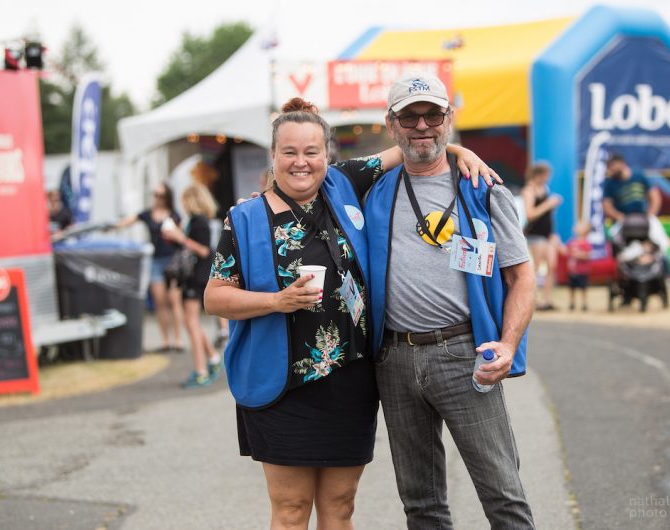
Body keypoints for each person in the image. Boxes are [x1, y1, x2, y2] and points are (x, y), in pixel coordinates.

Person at [204, 97, 496, 530]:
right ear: (274, 156)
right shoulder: (244, 218)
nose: (301, 162)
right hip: (282, 384)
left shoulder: (344, 183)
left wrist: (459, 151)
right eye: (290, 152)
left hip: (351, 380)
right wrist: (276, 301)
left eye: (311, 152)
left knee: (341, 505)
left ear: (327, 155)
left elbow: (412, 142)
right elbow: (215, 296)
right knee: (290, 510)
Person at [364, 74, 536, 529]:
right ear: (391, 124)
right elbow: (306, 179)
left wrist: (507, 342)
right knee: (421, 504)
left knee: (503, 495)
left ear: (449, 118)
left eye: (432, 114)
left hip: (464, 356)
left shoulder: (484, 189)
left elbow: (522, 277)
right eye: (409, 115)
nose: (422, 125)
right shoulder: (372, 191)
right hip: (394, 361)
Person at [161, 183, 222, 388]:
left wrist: (180, 238)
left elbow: (204, 251)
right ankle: (212, 358)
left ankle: (200, 371)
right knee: (192, 322)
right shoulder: (199, 221)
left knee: (192, 323)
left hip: (198, 276)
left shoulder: (200, 221)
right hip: (197, 275)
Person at [115, 184, 185, 353]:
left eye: (160, 195)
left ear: (167, 196)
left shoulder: (175, 215)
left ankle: (178, 339)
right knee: (160, 302)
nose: (157, 199)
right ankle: (165, 340)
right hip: (155, 261)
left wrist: (175, 234)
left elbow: (183, 238)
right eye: (155, 195)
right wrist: (114, 226)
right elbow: (128, 221)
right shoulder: (147, 214)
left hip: (173, 261)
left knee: (174, 300)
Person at [602, 153, 669, 252]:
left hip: (643, 216)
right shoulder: (610, 183)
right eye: (609, 166)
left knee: (660, 239)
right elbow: (607, 205)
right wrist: (619, 217)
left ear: (622, 163)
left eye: (612, 165)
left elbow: (654, 195)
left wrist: (651, 214)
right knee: (614, 237)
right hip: (623, 219)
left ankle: (659, 261)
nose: (610, 169)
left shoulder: (638, 175)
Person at [521, 162, 563, 311]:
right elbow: (530, 214)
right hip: (535, 235)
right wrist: (548, 204)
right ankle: (534, 299)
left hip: (548, 234)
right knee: (536, 268)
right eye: (546, 176)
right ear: (538, 175)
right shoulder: (529, 190)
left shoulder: (545, 189)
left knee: (552, 266)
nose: (547, 179)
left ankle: (547, 299)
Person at [564, 220, 593, 311]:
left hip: (583, 271)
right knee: (572, 287)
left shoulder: (586, 243)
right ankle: (572, 303)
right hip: (572, 271)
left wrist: (578, 254)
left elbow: (588, 255)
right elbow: (566, 251)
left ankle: (584, 303)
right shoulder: (571, 242)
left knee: (583, 287)